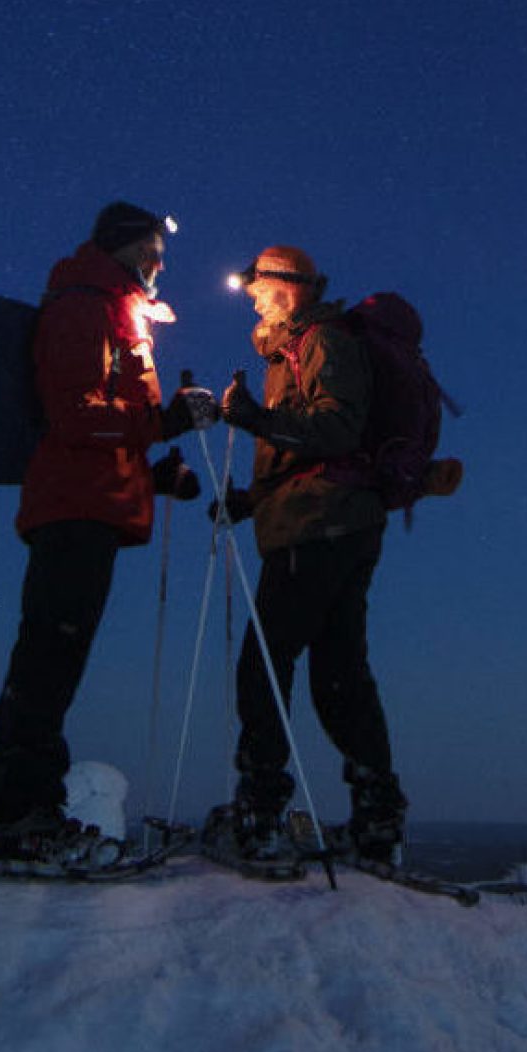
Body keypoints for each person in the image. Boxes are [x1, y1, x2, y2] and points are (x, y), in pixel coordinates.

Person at [0, 200, 216, 865]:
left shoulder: (109, 305)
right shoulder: (86, 305)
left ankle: (2, 816)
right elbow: (78, 417)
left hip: (88, 503)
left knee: (48, 660)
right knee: (49, 661)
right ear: (126, 248)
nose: (161, 261)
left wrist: (156, 474)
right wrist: (165, 425)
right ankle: (19, 818)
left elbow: (103, 427)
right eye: (152, 248)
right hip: (74, 511)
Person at [213, 244, 409, 866]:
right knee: (339, 672)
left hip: (317, 526)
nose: (249, 294)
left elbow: (335, 431)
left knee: (265, 665)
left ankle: (261, 811)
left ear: (287, 289)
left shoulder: (320, 342)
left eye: (258, 285)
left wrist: (252, 421)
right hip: (335, 522)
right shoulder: (300, 349)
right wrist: (252, 500)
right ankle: (377, 823)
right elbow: (319, 445)